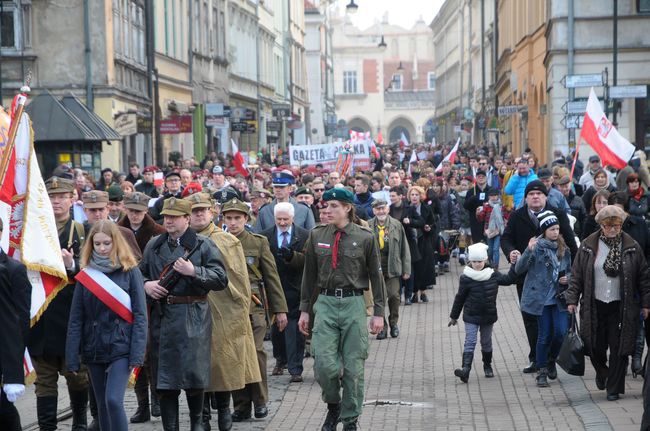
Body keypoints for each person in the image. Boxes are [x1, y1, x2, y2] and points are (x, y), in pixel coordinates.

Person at [298, 187, 385, 431]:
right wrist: (305, 310)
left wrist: (379, 313)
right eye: (326, 206)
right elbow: (309, 275)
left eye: (334, 205)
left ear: (348, 208)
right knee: (324, 365)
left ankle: (350, 419)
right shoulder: (317, 235)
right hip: (324, 304)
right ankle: (334, 405)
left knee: (354, 367)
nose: (328, 210)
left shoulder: (365, 237)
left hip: (353, 304)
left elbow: (377, 277)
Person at [139, 197, 229, 431]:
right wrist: (147, 284)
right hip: (162, 316)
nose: (168, 221)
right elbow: (137, 274)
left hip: (193, 315)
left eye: (174, 217)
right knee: (165, 379)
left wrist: (194, 271)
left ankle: (197, 423)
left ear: (186, 219)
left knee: (194, 376)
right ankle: (171, 427)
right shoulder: (154, 245)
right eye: (166, 217)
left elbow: (220, 279)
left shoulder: (203, 244)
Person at [185, 193, 260, 431]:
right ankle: (202, 415)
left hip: (223, 308)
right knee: (197, 363)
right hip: (191, 308)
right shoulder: (180, 239)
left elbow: (239, 279)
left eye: (202, 210)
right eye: (194, 210)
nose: (198, 214)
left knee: (222, 361)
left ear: (212, 211)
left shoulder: (226, 240)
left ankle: (224, 410)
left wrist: (239, 307)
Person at [66, 220, 148, 431]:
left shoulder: (130, 271)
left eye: (106, 243)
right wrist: (72, 355)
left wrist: (137, 353)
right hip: (94, 347)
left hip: (122, 346)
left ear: (116, 243)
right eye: (97, 244)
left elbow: (140, 315)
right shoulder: (86, 275)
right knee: (101, 404)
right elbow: (76, 318)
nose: (102, 248)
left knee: (113, 400)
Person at [565, 205, 650, 401]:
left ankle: (613, 388)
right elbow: (576, 274)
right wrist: (572, 299)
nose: (613, 230)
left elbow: (644, 279)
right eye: (608, 226)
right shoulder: (588, 245)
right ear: (601, 225)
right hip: (594, 304)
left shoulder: (632, 247)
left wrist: (646, 304)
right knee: (594, 346)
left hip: (622, 306)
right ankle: (603, 373)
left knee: (619, 347)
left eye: (617, 226)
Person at [27, 177, 91, 431]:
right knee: (44, 380)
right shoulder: (34, 232)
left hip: (70, 317)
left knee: (76, 375)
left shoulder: (83, 230)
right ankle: (47, 427)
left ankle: (80, 422)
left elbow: (95, 273)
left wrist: (72, 267)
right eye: (52, 197)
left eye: (62, 196)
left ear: (72, 198)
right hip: (40, 317)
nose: (56, 202)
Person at [501, 180, 578, 374]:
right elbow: (506, 238)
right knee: (531, 320)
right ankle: (536, 359)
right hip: (527, 278)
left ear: (546, 196)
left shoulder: (557, 214)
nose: (535, 196)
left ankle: (551, 358)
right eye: (531, 194)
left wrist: (574, 275)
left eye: (539, 193)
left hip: (555, 283)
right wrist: (511, 251)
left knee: (557, 327)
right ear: (525, 198)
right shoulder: (518, 216)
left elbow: (570, 242)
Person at [221, 198, 288, 422]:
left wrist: (280, 310)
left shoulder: (258, 242)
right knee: (235, 354)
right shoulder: (218, 242)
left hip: (256, 306)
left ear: (246, 219)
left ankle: (260, 401)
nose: (233, 223)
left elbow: (271, 277)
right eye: (228, 218)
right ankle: (241, 405)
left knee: (256, 352)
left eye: (237, 218)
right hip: (229, 308)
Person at [117, 192, 164, 423]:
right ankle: (142, 404)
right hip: (122, 299)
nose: (134, 215)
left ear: (146, 211)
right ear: (125, 209)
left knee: (152, 353)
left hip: (153, 300)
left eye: (139, 211)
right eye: (131, 210)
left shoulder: (159, 233)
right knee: (134, 353)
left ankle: (156, 398)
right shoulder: (115, 231)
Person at [514, 211, 572, 387]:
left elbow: (570, 270)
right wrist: (528, 250)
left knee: (561, 332)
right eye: (552, 229)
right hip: (541, 299)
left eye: (557, 229)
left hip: (559, 298)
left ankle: (551, 359)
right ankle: (541, 370)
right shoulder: (536, 246)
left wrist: (567, 278)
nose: (555, 232)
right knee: (544, 334)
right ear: (544, 230)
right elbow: (519, 269)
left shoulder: (564, 248)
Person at [449, 243, 515, 383]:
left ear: (485, 260)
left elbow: (509, 280)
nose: (477, 264)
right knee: (470, 341)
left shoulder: (493, 274)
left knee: (486, 342)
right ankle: (465, 370)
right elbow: (459, 297)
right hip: (471, 315)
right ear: (469, 261)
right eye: (474, 261)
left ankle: (487, 365)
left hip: (488, 315)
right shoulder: (466, 277)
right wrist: (454, 316)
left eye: (480, 261)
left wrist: (514, 264)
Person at [261, 202, 309, 382]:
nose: (282, 223)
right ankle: (281, 360)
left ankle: (295, 368)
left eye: (285, 219)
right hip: (274, 289)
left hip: (296, 289)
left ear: (293, 218)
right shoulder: (265, 236)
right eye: (279, 219)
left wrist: (291, 256)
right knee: (277, 330)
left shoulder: (304, 236)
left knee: (296, 330)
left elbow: (307, 262)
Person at [0, 217, 32, 431]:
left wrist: (14, 373)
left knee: (5, 412)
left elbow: (18, 324)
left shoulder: (13, 270)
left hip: (3, 350)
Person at [368, 199, 411, 339]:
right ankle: (382, 327)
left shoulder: (396, 225)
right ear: (373, 211)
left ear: (388, 209)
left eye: (383, 208)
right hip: (375, 268)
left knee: (393, 296)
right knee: (378, 299)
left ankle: (394, 322)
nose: (380, 211)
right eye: (377, 209)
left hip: (392, 265)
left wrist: (406, 269)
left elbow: (404, 248)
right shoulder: (367, 226)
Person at [407, 186, 436, 303]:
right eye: (412, 195)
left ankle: (423, 291)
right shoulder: (406, 208)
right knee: (414, 267)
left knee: (424, 266)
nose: (414, 197)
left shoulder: (426, 208)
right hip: (411, 241)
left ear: (421, 196)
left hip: (424, 240)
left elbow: (433, 222)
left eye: (417, 195)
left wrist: (429, 227)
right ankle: (414, 292)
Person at [476, 188, 509, 268]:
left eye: (495, 195)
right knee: (490, 250)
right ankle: (490, 264)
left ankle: (495, 267)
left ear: (498, 196)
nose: (493, 197)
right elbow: (481, 218)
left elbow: (506, 217)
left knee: (495, 249)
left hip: (498, 230)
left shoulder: (502, 206)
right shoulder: (486, 206)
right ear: (489, 197)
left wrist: (509, 215)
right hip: (489, 230)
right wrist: (478, 214)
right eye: (491, 196)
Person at [464, 170, 492, 243]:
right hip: (475, 221)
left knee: (488, 243)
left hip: (488, 221)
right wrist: (472, 199)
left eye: (483, 176)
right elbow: (466, 206)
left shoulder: (491, 190)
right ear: (476, 178)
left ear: (486, 178)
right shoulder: (471, 191)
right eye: (479, 177)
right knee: (477, 242)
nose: (481, 178)